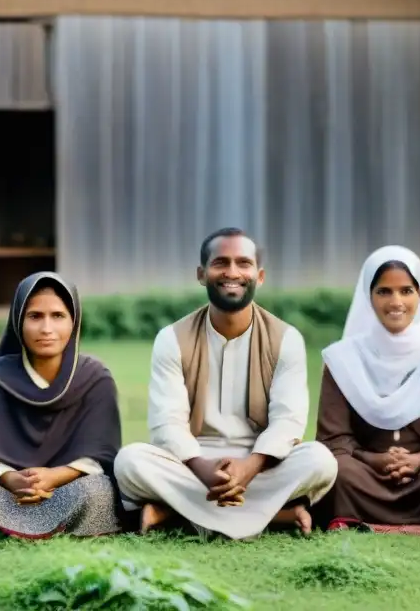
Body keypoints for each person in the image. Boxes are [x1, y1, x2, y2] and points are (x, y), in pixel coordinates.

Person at [114, 228, 338, 540]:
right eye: (221, 263)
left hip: (261, 465)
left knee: (321, 461)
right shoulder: (172, 338)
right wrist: (203, 470)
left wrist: (248, 469)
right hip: (193, 463)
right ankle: (276, 515)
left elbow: (288, 422)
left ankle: (175, 512)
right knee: (129, 461)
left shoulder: (286, 339)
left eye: (243, 263)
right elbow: (167, 423)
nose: (232, 272)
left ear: (259, 276)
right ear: (201, 274)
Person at [0, 272, 122, 538]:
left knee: (99, 490)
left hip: (69, 491)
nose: (46, 328)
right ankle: (12, 528)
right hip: (5, 496)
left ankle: (21, 532)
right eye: (35, 316)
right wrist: (14, 480)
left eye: (57, 316)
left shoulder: (95, 378)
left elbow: (99, 456)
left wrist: (54, 477)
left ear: (74, 321)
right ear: (18, 321)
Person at [316, 246, 420, 526]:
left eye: (406, 290)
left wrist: (419, 459)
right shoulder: (342, 358)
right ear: (367, 297)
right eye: (384, 291)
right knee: (336, 469)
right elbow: (333, 438)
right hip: (364, 474)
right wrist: (374, 460)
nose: (396, 302)